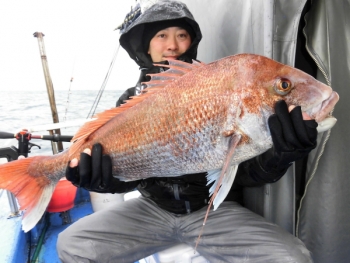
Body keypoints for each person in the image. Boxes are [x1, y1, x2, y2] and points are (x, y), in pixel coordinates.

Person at [57, 1, 317, 262]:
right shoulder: (128, 103)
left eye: (182, 35)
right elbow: (133, 177)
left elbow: (247, 174)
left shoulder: (218, 91)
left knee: (291, 258)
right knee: (72, 244)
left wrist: (283, 155)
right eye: (161, 36)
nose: (172, 45)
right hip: (151, 208)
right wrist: (103, 180)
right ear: (145, 45)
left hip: (213, 211)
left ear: (191, 43)